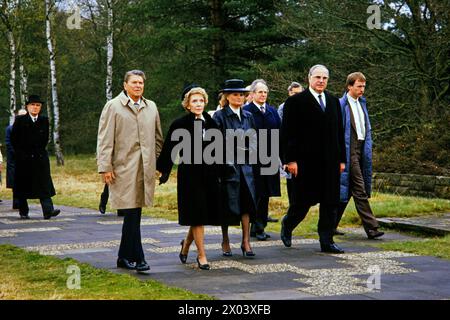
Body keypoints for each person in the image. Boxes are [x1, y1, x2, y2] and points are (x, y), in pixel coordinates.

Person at [97, 70, 163, 272]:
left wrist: (156, 162)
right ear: (125, 85)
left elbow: (158, 138)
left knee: (135, 212)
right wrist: (105, 167)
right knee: (132, 211)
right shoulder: (113, 106)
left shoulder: (150, 106)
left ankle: (124, 257)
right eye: (134, 82)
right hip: (123, 168)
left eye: (141, 83)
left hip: (145, 168)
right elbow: (105, 139)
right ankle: (139, 257)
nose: (138, 86)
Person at [280, 65, 346, 254]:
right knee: (302, 202)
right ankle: (288, 224)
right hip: (305, 162)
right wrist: (290, 160)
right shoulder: (295, 102)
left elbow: (339, 133)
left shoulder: (333, 102)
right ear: (309, 78)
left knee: (330, 202)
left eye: (325, 78)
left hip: (330, 162)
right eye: (317, 77)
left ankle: (327, 240)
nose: (321, 81)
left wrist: (341, 159)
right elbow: (287, 134)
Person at [157, 84, 221, 270]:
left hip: (208, 175)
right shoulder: (180, 124)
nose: (199, 104)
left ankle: (185, 246)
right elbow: (169, 148)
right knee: (197, 215)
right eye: (195, 101)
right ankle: (202, 255)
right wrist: (164, 171)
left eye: (201, 100)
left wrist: (222, 172)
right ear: (187, 104)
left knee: (199, 215)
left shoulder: (211, 122)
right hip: (190, 176)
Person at [335, 72, 384, 239]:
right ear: (349, 86)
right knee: (360, 189)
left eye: (364, 86)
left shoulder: (362, 104)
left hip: (361, 150)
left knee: (347, 191)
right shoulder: (341, 105)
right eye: (359, 86)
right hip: (349, 151)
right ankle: (372, 228)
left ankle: (331, 224)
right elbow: (338, 132)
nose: (362, 89)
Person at [213, 79, 258, 257]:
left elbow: (254, 139)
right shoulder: (220, 116)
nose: (239, 97)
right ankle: (225, 240)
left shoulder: (248, 116)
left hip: (246, 166)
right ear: (227, 96)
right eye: (235, 94)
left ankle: (246, 241)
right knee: (228, 204)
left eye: (241, 94)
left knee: (247, 204)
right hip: (228, 167)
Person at [11, 95, 60, 220]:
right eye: (33, 105)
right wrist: (21, 154)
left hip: (39, 157)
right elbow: (14, 139)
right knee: (23, 185)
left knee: (44, 184)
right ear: (27, 106)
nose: (35, 107)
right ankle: (23, 211)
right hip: (24, 158)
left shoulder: (44, 120)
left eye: (38, 105)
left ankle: (48, 210)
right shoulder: (20, 120)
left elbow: (45, 138)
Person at [244, 80, 281, 241]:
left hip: (270, 156)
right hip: (253, 157)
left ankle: (259, 226)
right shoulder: (247, 111)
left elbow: (280, 133)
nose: (263, 95)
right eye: (260, 92)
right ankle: (255, 225)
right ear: (252, 94)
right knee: (255, 193)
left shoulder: (272, 112)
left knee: (266, 193)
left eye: (265, 92)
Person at [5, 109, 27, 209]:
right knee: (15, 181)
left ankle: (21, 203)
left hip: (26, 159)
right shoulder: (10, 129)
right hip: (14, 159)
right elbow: (8, 143)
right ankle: (17, 202)